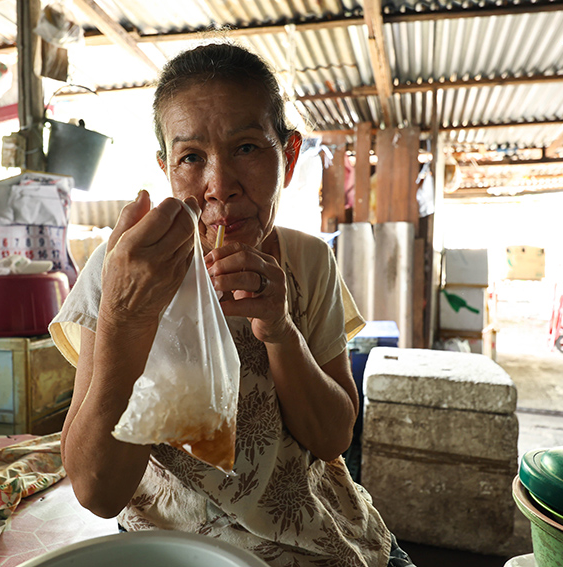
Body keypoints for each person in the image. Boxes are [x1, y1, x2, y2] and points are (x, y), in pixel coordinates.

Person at [49, 42, 415, 567]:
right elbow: (96, 491)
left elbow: (333, 438)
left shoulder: (308, 261)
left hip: (319, 536)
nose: (220, 186)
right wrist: (125, 319)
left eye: (246, 148)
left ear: (288, 156)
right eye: (191, 158)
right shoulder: (122, 270)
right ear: (166, 169)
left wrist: (280, 329)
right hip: (177, 550)